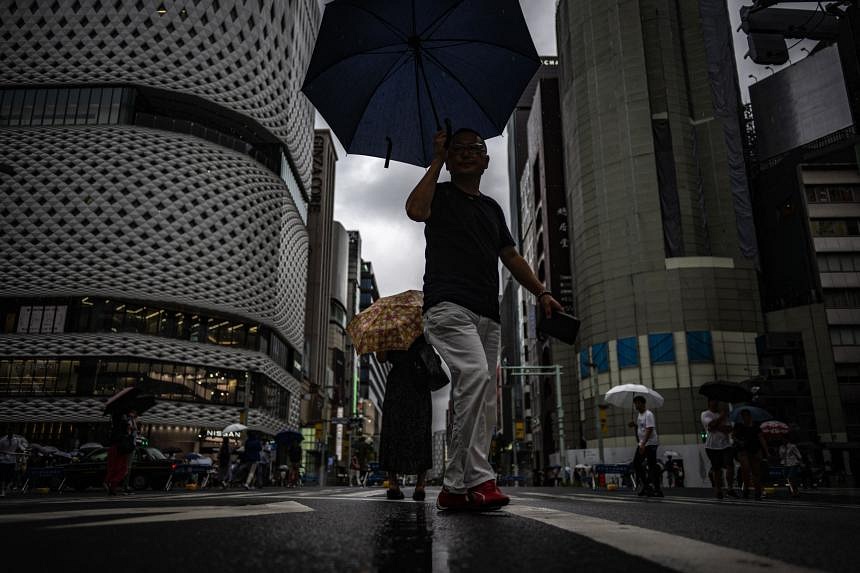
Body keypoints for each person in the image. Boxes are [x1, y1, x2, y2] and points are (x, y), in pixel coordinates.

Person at [406, 128, 563, 511]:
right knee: (474, 377)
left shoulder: (492, 208)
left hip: (487, 314)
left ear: (485, 160)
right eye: (457, 149)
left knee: (485, 400)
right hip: (447, 306)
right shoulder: (439, 195)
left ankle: (477, 480)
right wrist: (436, 160)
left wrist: (541, 291)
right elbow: (415, 211)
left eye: (474, 148)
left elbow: (511, 257)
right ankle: (458, 484)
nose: (465, 154)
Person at [377, 336, 434, 501]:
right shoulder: (421, 327)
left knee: (393, 430)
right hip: (419, 381)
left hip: (398, 383)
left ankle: (394, 484)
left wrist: (384, 340)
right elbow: (430, 355)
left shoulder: (389, 330)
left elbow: (381, 359)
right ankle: (420, 486)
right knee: (421, 430)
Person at [701, 398, 736, 499]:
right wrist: (721, 418)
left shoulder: (724, 415)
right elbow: (710, 426)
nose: (715, 403)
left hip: (725, 445)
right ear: (709, 403)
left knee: (730, 465)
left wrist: (716, 425)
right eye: (713, 401)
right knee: (717, 469)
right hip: (712, 446)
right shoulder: (705, 414)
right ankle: (718, 489)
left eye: (717, 401)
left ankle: (730, 488)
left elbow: (729, 429)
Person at [630, 396, 663, 497]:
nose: (636, 405)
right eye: (635, 403)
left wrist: (643, 444)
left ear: (643, 403)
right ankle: (647, 486)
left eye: (637, 403)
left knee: (651, 466)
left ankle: (655, 489)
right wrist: (635, 426)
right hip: (643, 443)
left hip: (650, 444)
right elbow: (641, 429)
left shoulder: (648, 414)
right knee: (636, 464)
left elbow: (649, 429)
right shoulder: (640, 415)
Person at [732, 409, 769, 500]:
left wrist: (766, 451)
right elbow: (733, 436)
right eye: (744, 416)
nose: (745, 418)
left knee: (756, 472)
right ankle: (746, 490)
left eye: (747, 416)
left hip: (754, 450)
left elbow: (761, 439)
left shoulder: (756, 426)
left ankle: (757, 492)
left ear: (750, 416)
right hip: (743, 450)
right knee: (746, 469)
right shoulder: (739, 426)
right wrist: (739, 441)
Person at [105, 410, 135, 495]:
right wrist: (130, 418)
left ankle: (111, 486)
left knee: (115, 468)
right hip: (120, 449)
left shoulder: (116, 424)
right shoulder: (122, 424)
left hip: (116, 448)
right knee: (122, 469)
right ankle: (110, 483)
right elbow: (131, 431)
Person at [0, 427, 24, 497]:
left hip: (12, 461)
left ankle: (7, 488)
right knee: (2, 477)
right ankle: (2, 491)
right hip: (3, 460)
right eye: (9, 432)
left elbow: (20, 447)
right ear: (7, 432)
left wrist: (24, 450)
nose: (11, 433)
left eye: (12, 432)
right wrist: (3, 455)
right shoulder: (2, 440)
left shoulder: (16, 440)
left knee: (10, 476)